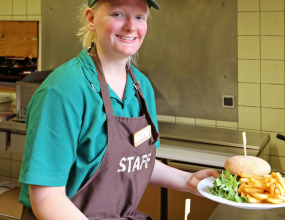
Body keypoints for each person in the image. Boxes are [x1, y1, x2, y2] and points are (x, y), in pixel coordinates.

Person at [18, 0, 219, 219]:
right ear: (91, 19)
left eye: (140, 17)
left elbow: (134, 162)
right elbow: (46, 197)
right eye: (118, 14)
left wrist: (188, 181)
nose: (131, 27)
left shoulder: (141, 88)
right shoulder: (64, 91)